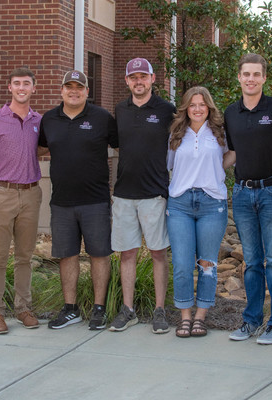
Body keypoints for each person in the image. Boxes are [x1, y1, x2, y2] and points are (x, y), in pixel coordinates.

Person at [38, 70, 117, 330]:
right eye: (69, 87)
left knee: (99, 254)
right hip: (61, 202)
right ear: (61, 90)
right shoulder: (49, 119)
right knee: (67, 255)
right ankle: (70, 309)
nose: (74, 91)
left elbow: (120, 147)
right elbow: (38, 148)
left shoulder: (102, 118)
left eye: (79, 87)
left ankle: (99, 309)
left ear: (87, 91)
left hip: (95, 200)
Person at [225, 53, 272, 345]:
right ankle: (251, 320)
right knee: (251, 260)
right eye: (246, 74)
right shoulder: (230, 112)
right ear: (239, 77)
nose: (250, 79)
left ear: (264, 77)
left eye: (256, 74)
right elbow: (231, 153)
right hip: (241, 192)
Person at [109, 58, 176, 334]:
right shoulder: (120, 110)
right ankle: (128, 310)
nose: (138, 81)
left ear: (153, 78)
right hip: (124, 193)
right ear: (127, 81)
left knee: (159, 253)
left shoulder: (166, 111)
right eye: (133, 77)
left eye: (143, 76)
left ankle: (160, 310)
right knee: (128, 254)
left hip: (154, 194)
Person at [0, 67, 43, 334]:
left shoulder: (40, 120)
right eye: (17, 83)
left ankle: (24, 308)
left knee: (25, 256)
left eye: (27, 83)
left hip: (31, 193)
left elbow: (46, 147)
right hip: (1, 194)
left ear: (34, 88)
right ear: (10, 88)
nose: (22, 87)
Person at [166, 86, 232, 338]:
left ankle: (201, 316)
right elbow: (170, 165)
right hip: (180, 203)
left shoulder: (219, 133)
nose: (197, 109)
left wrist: (215, 169)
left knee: (207, 263)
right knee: (182, 263)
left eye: (202, 104)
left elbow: (231, 155)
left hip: (211, 203)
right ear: (185, 108)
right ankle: (184, 315)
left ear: (209, 107)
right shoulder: (176, 133)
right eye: (192, 104)